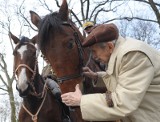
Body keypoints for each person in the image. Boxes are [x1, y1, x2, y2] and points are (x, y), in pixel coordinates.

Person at [61, 23, 160, 122]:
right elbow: (123, 78)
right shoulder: (121, 51)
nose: (94, 57)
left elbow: (123, 102)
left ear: (109, 47)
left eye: (94, 51)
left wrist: (81, 101)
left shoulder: (133, 55)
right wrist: (96, 77)